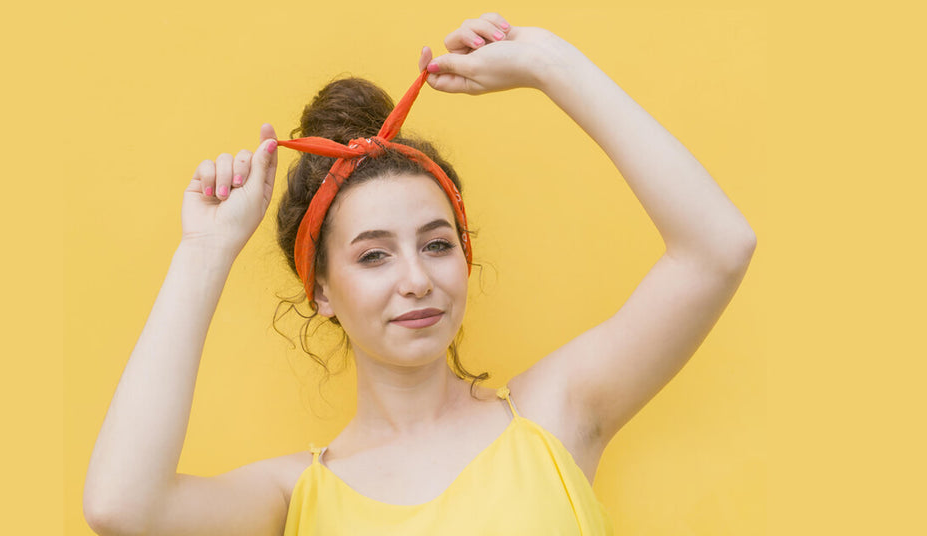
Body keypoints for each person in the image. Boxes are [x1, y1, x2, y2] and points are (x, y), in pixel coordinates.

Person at [83, 12, 756, 536]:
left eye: (437, 245)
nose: (416, 279)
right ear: (321, 291)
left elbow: (718, 247)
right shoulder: (294, 497)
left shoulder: (557, 415)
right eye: (374, 255)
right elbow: (120, 507)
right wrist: (203, 251)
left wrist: (549, 63)